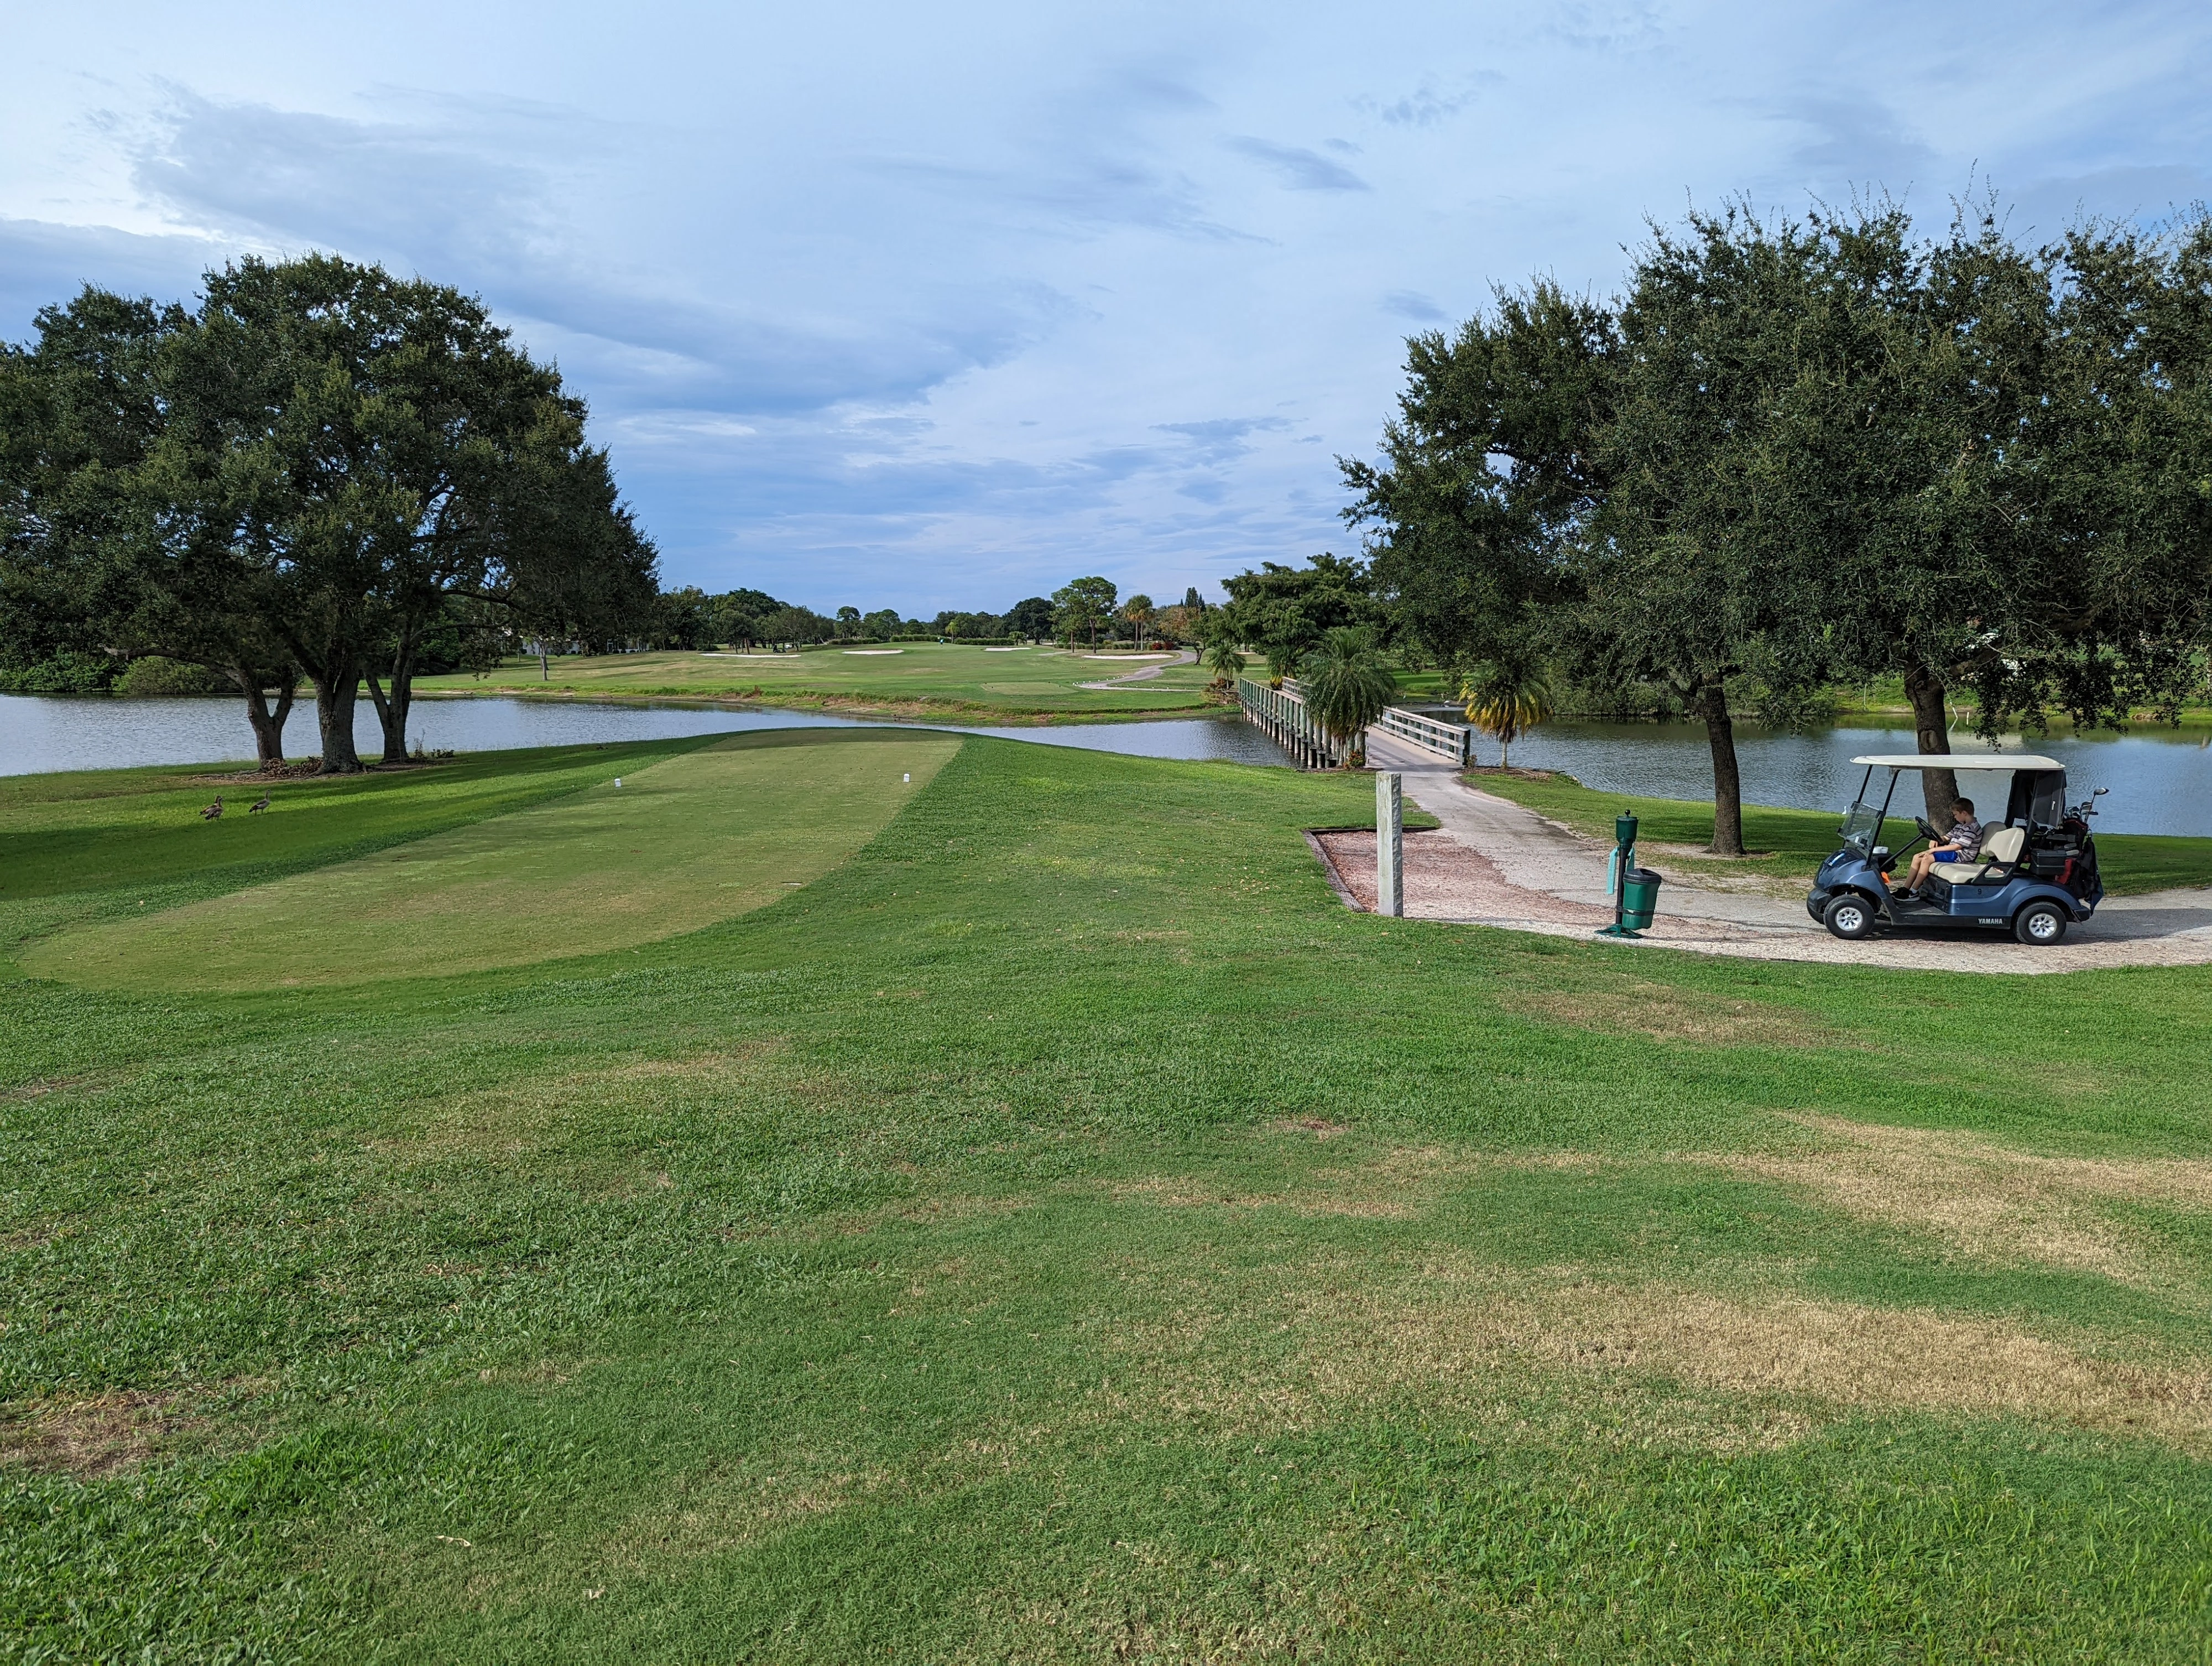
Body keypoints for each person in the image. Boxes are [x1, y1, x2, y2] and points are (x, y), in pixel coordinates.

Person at [1897, 798, 1984, 894]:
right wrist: (1935, 839)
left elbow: (1957, 847)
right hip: (1953, 853)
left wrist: (1932, 850)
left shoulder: (1972, 828)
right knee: (1917, 857)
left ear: (1964, 813)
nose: (1955, 817)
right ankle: (1905, 889)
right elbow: (1946, 838)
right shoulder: (1960, 826)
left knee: (1927, 859)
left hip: (1962, 856)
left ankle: (1913, 892)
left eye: (1955, 815)